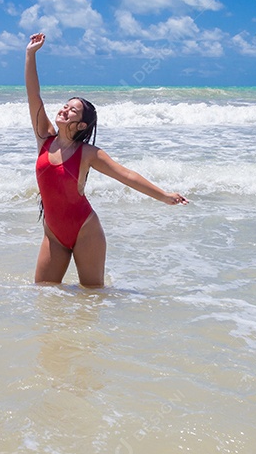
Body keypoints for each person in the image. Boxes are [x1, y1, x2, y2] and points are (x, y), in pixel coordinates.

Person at [25, 32, 188, 287]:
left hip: (85, 232)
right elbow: (34, 96)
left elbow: (127, 176)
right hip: (53, 235)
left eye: (72, 109)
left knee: (92, 297)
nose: (64, 109)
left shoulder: (88, 153)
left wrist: (164, 195)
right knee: (44, 294)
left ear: (80, 124)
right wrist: (30, 55)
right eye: (65, 105)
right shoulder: (45, 138)